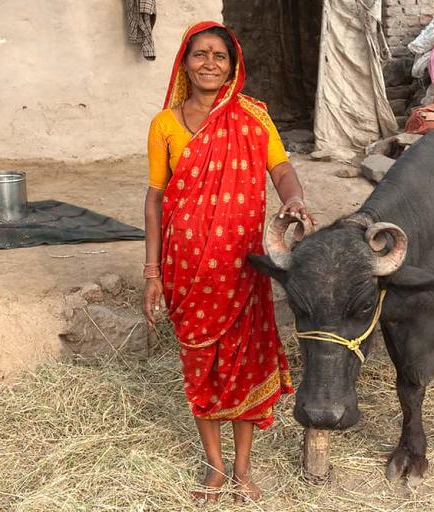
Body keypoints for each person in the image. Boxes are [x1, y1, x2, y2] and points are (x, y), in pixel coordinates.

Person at [142, 20, 314, 505]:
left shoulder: (252, 116)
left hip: (241, 268)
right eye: (200, 54)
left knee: (244, 364)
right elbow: (155, 199)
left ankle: (242, 468)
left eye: (220, 55)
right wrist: (152, 273)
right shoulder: (166, 125)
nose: (210, 63)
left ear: (233, 66)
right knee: (200, 366)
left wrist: (294, 198)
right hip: (185, 268)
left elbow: (279, 167)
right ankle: (214, 467)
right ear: (185, 62)